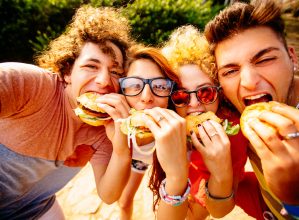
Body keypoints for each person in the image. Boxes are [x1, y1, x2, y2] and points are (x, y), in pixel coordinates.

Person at [0, 5, 135, 219]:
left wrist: (121, 147)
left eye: (115, 71)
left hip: (33, 207)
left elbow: (109, 195)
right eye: (91, 66)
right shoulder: (27, 83)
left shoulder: (106, 128)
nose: (103, 81)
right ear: (67, 71)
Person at [204, 0, 299, 219]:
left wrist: (296, 199)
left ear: (292, 58)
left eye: (265, 59)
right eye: (230, 72)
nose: (248, 82)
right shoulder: (229, 113)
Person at [148, 25, 254, 220]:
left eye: (206, 92)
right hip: (184, 176)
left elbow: (220, 209)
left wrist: (221, 170)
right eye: (181, 96)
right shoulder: (168, 122)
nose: (195, 104)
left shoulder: (234, 132)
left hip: (209, 186)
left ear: (219, 92)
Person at [117, 46, 188, 220]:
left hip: (163, 162)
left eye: (160, 86)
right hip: (137, 161)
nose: (146, 97)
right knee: (124, 202)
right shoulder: (114, 126)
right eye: (134, 85)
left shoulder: (179, 135)